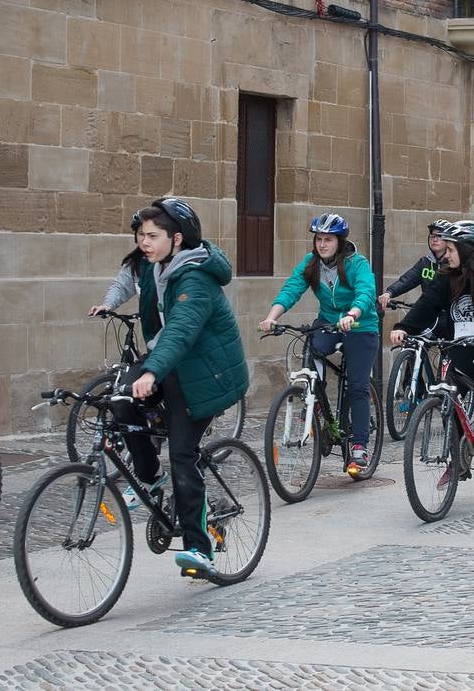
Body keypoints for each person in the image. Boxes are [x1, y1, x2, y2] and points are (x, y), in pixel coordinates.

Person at [94, 197, 248, 577]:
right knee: (120, 401)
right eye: (140, 235)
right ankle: (150, 477)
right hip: (169, 360)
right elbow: (129, 289)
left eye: (152, 235)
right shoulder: (151, 267)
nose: (143, 242)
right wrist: (148, 370)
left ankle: (199, 548)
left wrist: (152, 372)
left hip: (206, 374)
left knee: (182, 452)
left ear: (176, 239)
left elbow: (180, 331)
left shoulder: (195, 278)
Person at [259, 213, 379, 476]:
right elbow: (292, 289)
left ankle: (359, 446)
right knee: (311, 347)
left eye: (328, 239)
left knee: (357, 386)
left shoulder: (356, 263)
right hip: (328, 322)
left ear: (339, 241)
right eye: (318, 239)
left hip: (361, 326)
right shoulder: (311, 263)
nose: (322, 244)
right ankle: (316, 402)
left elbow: (366, 292)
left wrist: (353, 314)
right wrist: (271, 317)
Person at [391, 220, 474, 458]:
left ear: (466, 249)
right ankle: (459, 458)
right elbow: (426, 305)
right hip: (461, 342)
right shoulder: (445, 277)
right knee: (452, 392)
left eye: (450, 249)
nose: (446, 255)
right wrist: (404, 327)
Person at [377, 219, 452, 312]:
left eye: (439, 236)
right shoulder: (425, 263)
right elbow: (407, 280)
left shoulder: (454, 264)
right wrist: (389, 293)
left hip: (449, 314)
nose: (434, 239)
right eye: (432, 236)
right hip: (430, 313)